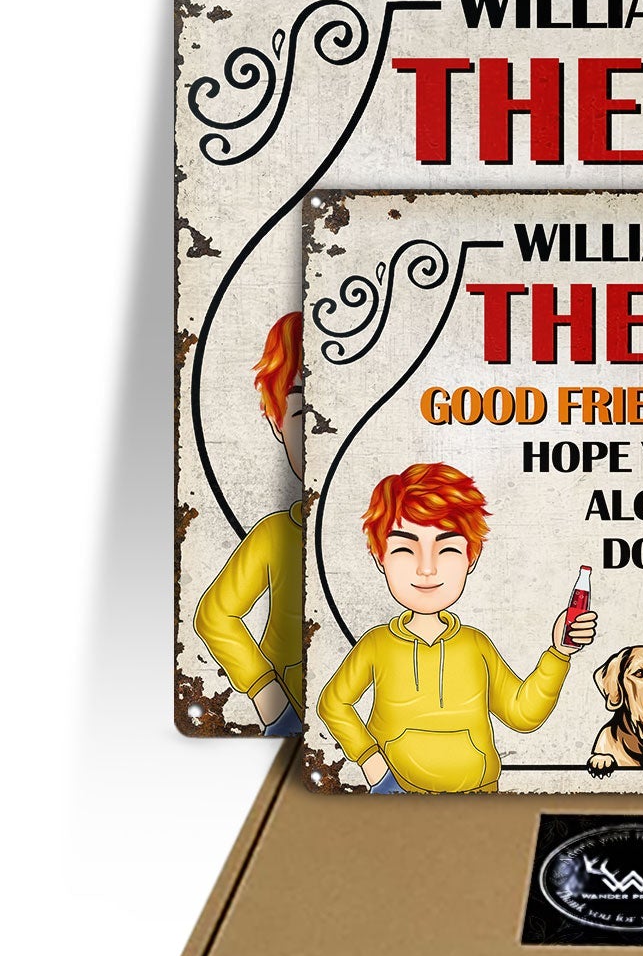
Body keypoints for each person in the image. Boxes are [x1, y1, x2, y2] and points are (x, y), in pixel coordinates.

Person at [316, 463, 596, 792]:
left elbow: (522, 714)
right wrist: (371, 762)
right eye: (404, 549)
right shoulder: (377, 644)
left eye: (447, 548)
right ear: (380, 557)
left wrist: (559, 652)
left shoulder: (475, 645)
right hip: (399, 799)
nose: (427, 569)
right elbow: (333, 704)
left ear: (471, 557)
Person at [193, 312, 306, 736]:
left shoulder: (400, 529)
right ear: (278, 424)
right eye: (302, 412)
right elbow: (215, 615)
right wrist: (270, 700)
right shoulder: (278, 534)